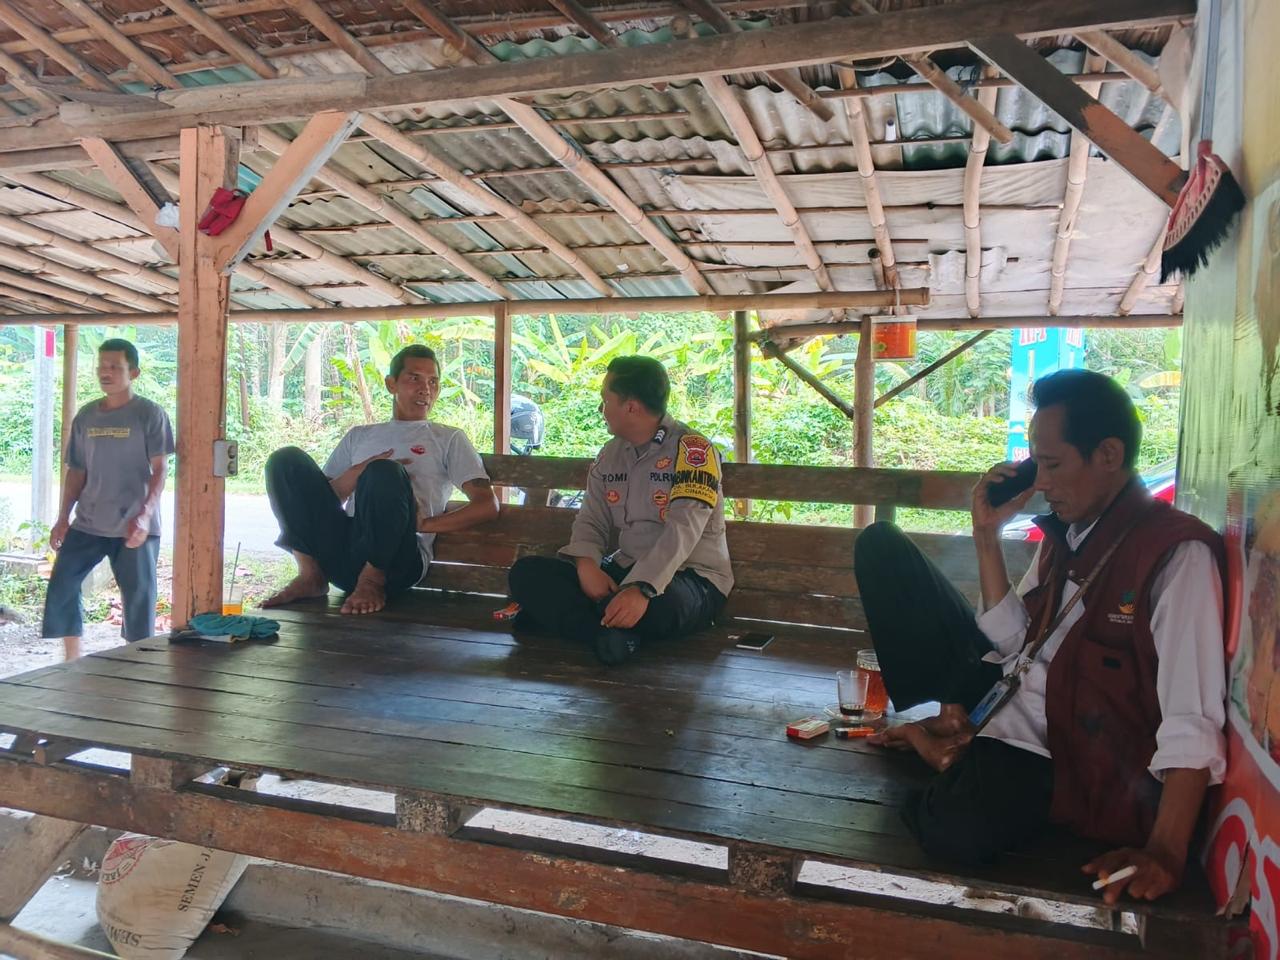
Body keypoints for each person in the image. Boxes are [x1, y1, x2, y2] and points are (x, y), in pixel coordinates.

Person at [853, 369, 1226, 905]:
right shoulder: (1068, 533)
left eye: (1051, 465)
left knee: (955, 831)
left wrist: (1165, 849)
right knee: (882, 547)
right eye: (1036, 465)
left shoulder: (1175, 555)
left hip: (1060, 751)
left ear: (1109, 454)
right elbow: (1015, 644)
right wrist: (987, 535)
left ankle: (940, 750)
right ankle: (954, 731)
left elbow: (1193, 714)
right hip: (1006, 688)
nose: (1042, 484)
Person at [507, 356, 733, 665]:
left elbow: (683, 531)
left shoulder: (694, 451)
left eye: (606, 400)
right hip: (624, 570)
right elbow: (591, 519)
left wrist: (641, 589)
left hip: (689, 579)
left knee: (663, 608)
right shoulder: (610, 454)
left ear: (631, 407)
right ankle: (607, 635)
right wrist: (587, 566)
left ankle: (583, 625)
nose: (601, 409)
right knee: (526, 574)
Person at [262, 344, 498, 615]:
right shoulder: (359, 436)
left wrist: (425, 524)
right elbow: (317, 503)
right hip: (345, 554)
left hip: (399, 562)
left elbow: (487, 505)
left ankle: (372, 579)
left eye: (433, 381)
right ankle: (310, 575)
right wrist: (356, 473)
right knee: (285, 460)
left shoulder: (448, 438)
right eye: (414, 378)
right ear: (390, 384)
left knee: (385, 472)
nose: (425, 389)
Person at [43, 338, 174, 652]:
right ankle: (72, 658)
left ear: (134, 373)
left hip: (135, 526)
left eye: (115, 366)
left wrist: (144, 515)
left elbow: (160, 470)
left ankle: (137, 662)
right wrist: (62, 517)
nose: (106, 372)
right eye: (102, 366)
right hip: (89, 522)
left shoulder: (149, 414)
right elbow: (76, 471)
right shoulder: (86, 416)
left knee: (139, 598)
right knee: (62, 583)